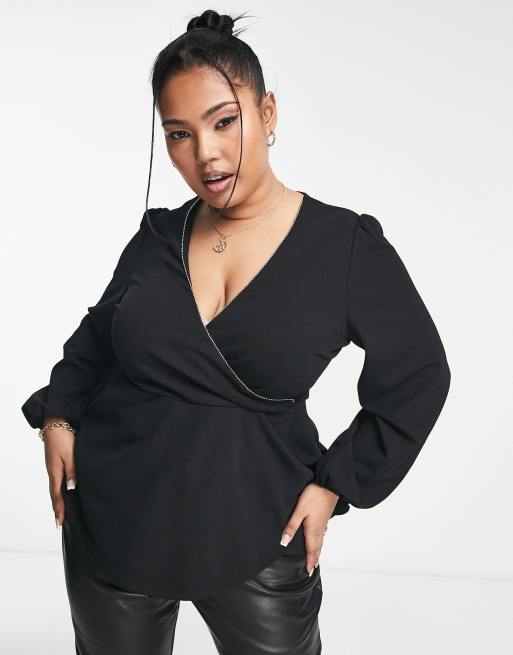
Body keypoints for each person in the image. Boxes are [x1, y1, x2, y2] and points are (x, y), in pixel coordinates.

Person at [21, 9, 451, 655]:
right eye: (179, 134)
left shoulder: (344, 247)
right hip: (114, 520)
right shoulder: (157, 237)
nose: (205, 153)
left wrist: (337, 482)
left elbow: (419, 372)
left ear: (267, 111)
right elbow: (97, 338)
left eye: (224, 121)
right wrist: (58, 416)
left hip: (260, 530)